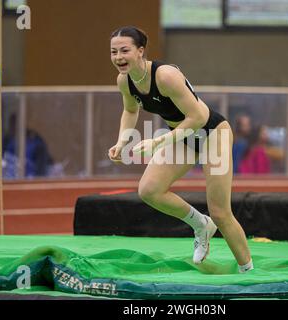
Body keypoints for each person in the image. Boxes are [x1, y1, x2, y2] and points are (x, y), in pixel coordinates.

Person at [108, 26, 253, 273]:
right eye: (113, 52)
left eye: (125, 50)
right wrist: (122, 142)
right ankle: (200, 225)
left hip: (211, 134)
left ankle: (247, 271)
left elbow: (198, 116)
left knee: (220, 212)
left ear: (140, 51)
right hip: (184, 136)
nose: (118, 57)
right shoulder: (125, 81)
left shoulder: (164, 76)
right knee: (149, 190)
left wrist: (156, 142)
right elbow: (131, 110)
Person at [3, 114, 53, 178]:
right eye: (12, 124)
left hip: (31, 178)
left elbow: (44, 161)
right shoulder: (7, 140)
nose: (14, 127)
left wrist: (37, 178)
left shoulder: (34, 139)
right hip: (10, 178)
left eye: (16, 124)